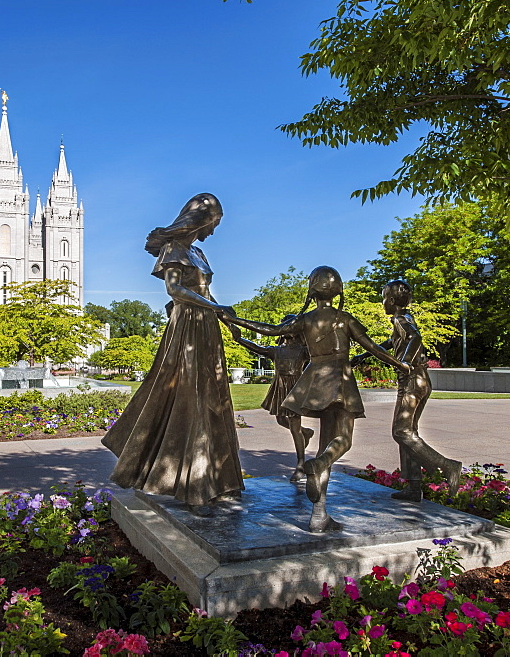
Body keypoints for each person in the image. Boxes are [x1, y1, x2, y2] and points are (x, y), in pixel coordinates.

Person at [223, 266, 409, 532]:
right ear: (338, 290)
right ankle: (319, 465)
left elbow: (270, 330)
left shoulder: (306, 320)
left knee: (326, 443)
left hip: (314, 381)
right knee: (341, 441)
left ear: (312, 291)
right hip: (340, 381)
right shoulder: (345, 319)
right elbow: (372, 347)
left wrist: (234, 320)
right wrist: (400, 365)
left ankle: (319, 513)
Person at [101, 193, 243, 513]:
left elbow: (205, 292)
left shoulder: (199, 252)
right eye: (215, 223)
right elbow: (175, 291)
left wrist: (225, 319)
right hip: (188, 326)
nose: (215, 230)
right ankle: (193, 485)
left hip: (207, 327)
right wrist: (217, 308)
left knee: (212, 398)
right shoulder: (174, 249)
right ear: (203, 219)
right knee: (189, 397)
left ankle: (218, 479)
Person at [352, 279, 462, 502]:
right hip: (420, 380)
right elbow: (393, 342)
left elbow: (415, 337)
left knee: (401, 432)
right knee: (409, 434)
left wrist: (403, 362)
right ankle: (413, 488)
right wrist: (364, 356)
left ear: (391, 301)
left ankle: (447, 467)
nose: (382, 302)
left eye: (383, 298)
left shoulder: (401, 319)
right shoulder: (404, 318)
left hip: (412, 381)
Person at [228, 316, 314, 481]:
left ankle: (300, 465)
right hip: (279, 387)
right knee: (281, 421)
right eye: (285, 326)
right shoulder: (277, 350)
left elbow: (319, 355)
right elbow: (257, 348)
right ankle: (306, 433)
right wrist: (239, 339)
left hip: (295, 388)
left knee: (294, 426)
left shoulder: (304, 350)